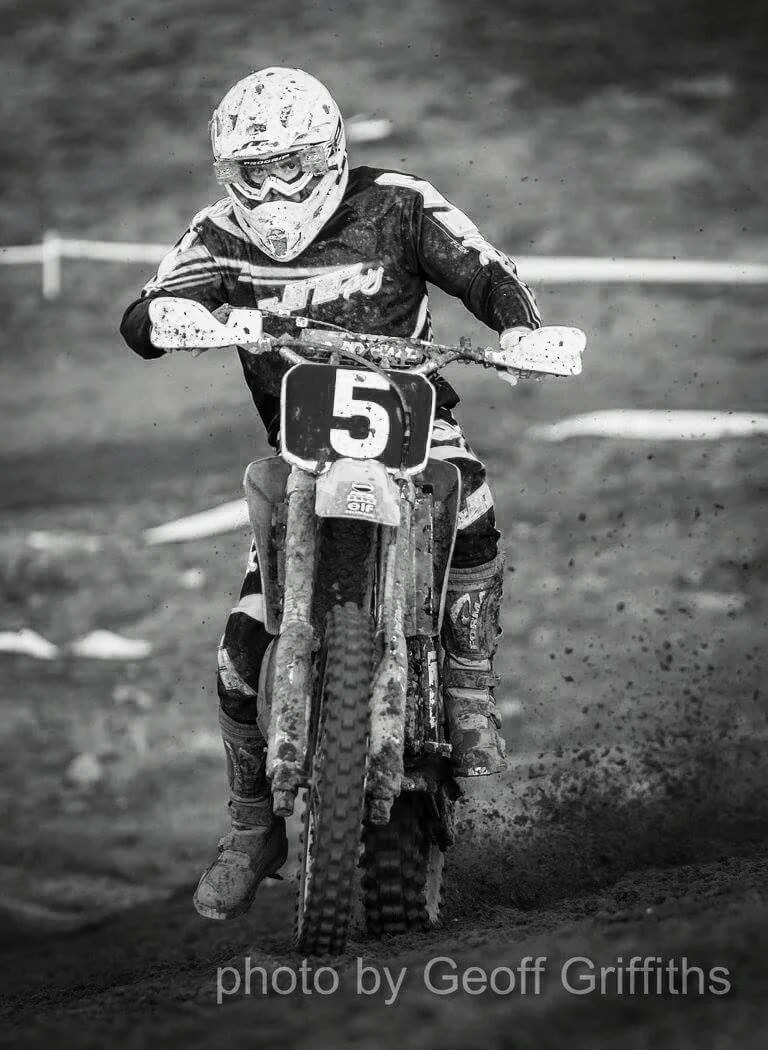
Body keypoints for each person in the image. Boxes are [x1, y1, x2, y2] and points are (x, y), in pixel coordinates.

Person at [120, 66, 543, 921]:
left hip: (417, 428)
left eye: (294, 164)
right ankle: (252, 827)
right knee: (239, 656)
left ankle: (465, 688)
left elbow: (486, 270)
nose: (275, 186)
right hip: (301, 455)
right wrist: (174, 319)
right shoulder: (215, 233)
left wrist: (525, 329)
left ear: (332, 152)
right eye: (254, 170)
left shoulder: (398, 202)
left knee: (473, 502)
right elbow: (149, 310)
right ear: (226, 173)